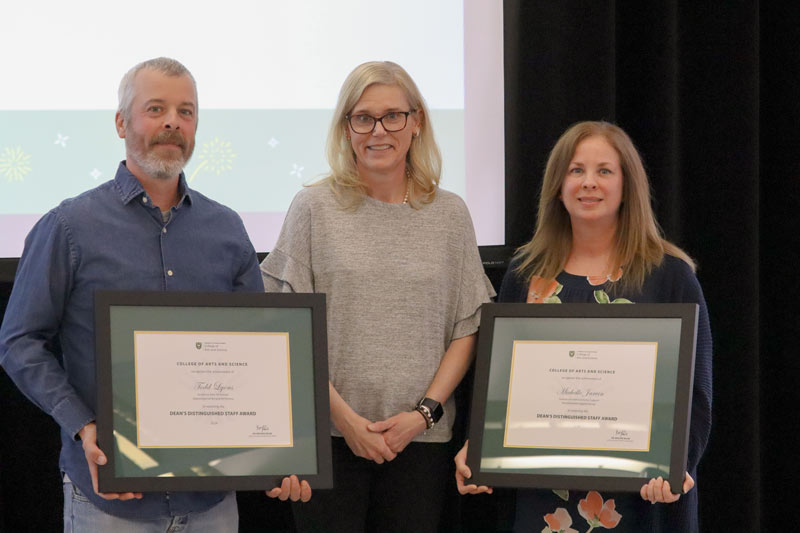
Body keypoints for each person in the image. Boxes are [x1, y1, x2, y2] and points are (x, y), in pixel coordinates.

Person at [0, 57, 308, 533]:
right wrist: (84, 425)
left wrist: (283, 452)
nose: (172, 122)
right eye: (156, 109)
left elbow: (262, 353)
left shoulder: (226, 229)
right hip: (110, 500)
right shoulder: (68, 227)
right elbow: (20, 342)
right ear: (122, 122)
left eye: (186, 112)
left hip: (212, 503)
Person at [261, 60, 495, 532]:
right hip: (327, 439)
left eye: (392, 116)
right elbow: (286, 328)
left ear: (417, 122)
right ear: (347, 128)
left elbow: (467, 326)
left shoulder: (450, 215)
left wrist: (422, 415)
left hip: (420, 442)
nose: (378, 130)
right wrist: (344, 419)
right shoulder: (313, 208)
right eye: (362, 117)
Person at [455, 121, 712, 532]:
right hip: (543, 499)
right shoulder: (524, 274)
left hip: (643, 500)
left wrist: (677, 464)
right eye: (576, 170)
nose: (588, 183)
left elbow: (697, 393)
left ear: (628, 185)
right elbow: (500, 387)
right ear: (558, 185)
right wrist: (479, 448)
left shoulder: (670, 276)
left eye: (604, 171)